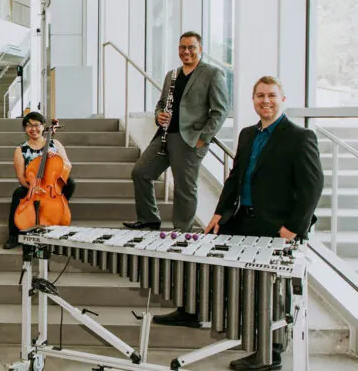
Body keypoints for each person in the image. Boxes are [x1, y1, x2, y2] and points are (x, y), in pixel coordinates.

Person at [180, 76, 318, 371]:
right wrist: (219, 213)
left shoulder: (300, 137)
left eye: (271, 96)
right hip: (243, 219)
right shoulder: (246, 135)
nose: (265, 101)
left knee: (269, 292)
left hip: (276, 226)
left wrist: (293, 228)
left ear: (282, 99)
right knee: (206, 258)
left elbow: (312, 187)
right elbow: (235, 178)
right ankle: (193, 311)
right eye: (260, 96)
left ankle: (270, 354)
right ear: (253, 100)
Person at [123, 31, 229, 232]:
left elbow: (220, 111)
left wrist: (203, 138)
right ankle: (149, 219)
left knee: (184, 187)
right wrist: (159, 116)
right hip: (165, 136)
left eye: (191, 47)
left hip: (190, 139)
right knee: (141, 172)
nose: (186, 51)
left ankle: (182, 230)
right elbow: (161, 103)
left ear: (200, 49)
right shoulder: (172, 75)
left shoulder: (212, 74)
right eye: (182, 47)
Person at [3, 112, 76, 249]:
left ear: (43, 126)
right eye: (29, 125)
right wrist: (32, 187)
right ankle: (14, 235)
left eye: (36, 125)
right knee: (18, 193)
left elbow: (68, 165)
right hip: (33, 185)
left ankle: (56, 211)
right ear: (25, 128)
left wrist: (57, 157)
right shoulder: (21, 149)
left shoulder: (55, 144)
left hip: (52, 185)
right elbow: (21, 176)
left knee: (70, 183)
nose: (33, 129)